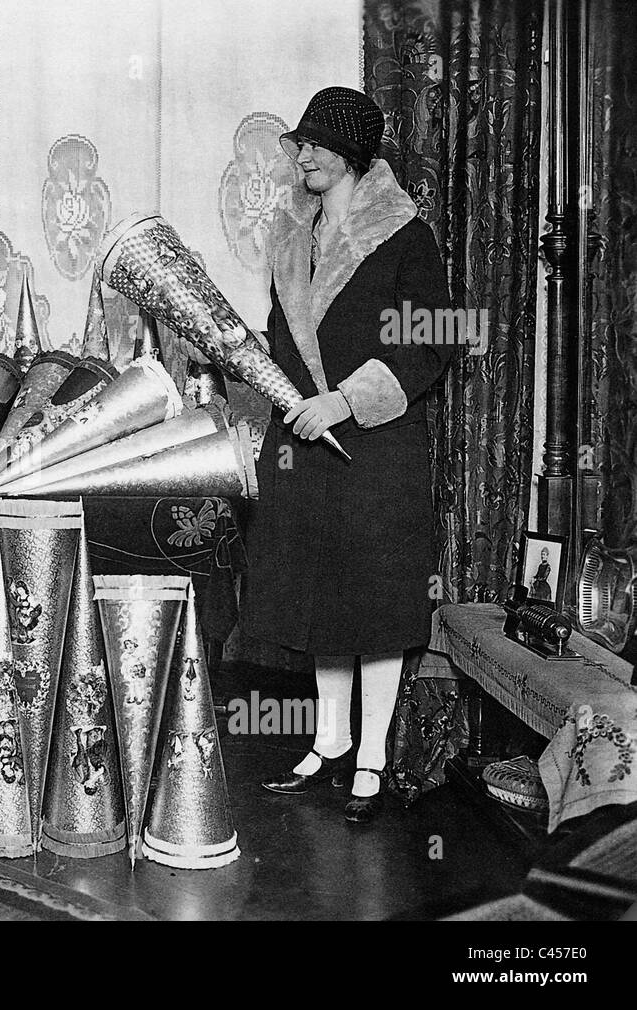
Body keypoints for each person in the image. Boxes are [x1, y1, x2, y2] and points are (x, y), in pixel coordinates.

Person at [241, 87, 455, 823]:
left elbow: (432, 338)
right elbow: (281, 340)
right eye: (299, 145)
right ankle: (328, 742)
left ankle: (370, 756)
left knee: (374, 607)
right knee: (318, 601)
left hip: (377, 452)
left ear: (352, 155)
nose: (301, 155)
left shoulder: (405, 236)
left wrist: (346, 400)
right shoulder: (291, 235)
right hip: (305, 447)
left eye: (314, 145)